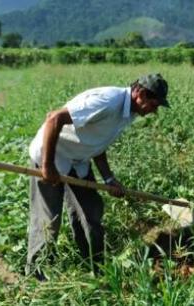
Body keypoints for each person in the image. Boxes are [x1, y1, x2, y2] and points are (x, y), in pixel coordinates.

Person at [27, 73, 169, 278]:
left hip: (78, 160)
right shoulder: (108, 101)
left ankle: (95, 267)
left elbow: (98, 143)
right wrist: (47, 166)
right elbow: (54, 118)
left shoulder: (128, 113)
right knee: (49, 220)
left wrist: (109, 179)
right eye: (154, 105)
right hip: (52, 155)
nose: (154, 111)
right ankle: (35, 275)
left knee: (90, 212)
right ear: (140, 93)